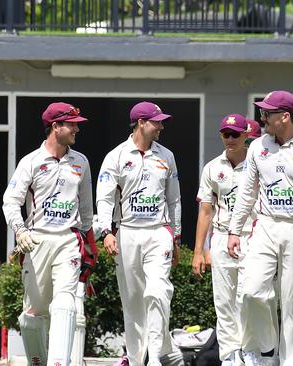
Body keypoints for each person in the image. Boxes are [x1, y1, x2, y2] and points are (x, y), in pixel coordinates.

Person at [227, 91, 293, 365]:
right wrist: (233, 229)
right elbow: (246, 194)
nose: (261, 118)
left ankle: (288, 361)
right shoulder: (257, 147)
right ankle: (265, 350)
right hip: (264, 225)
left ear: (284, 117)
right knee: (252, 291)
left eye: (266, 113)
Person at [2, 102, 94, 366]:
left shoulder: (81, 161)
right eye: (72, 123)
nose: (77, 128)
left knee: (66, 304)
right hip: (37, 241)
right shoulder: (30, 161)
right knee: (32, 315)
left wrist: (88, 244)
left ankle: (58, 363)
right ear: (56, 126)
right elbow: (10, 201)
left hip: (68, 239)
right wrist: (19, 231)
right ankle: (38, 361)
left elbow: (86, 209)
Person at [96, 101, 184, 366]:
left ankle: (156, 357)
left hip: (158, 233)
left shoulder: (166, 156)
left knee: (157, 292)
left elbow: (174, 200)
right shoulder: (116, 156)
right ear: (141, 123)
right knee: (133, 302)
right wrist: (106, 232)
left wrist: (176, 237)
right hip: (127, 233)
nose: (161, 126)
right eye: (157, 121)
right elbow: (104, 197)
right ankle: (136, 360)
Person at [192, 114, 255, 365]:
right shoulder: (212, 167)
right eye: (225, 134)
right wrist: (199, 251)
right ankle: (230, 356)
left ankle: (249, 351)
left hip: (250, 236)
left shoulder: (257, 162)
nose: (230, 139)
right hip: (220, 237)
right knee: (223, 300)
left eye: (235, 134)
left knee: (248, 296)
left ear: (246, 135)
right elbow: (206, 212)